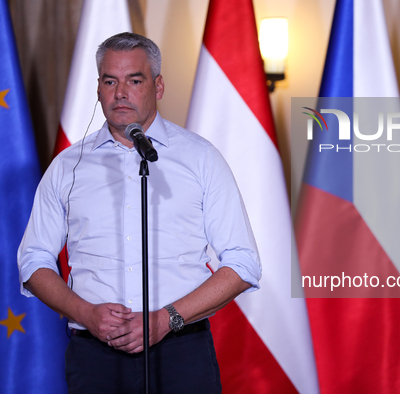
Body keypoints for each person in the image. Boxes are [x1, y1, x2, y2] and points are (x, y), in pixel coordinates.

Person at [17, 32, 261, 393]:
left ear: (158, 87)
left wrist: (166, 319)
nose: (120, 93)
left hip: (181, 353)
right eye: (110, 81)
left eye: (135, 80)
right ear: (98, 88)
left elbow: (243, 263)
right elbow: (33, 260)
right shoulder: (67, 166)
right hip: (94, 357)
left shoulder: (201, 158)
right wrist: (85, 313)